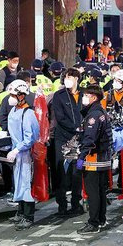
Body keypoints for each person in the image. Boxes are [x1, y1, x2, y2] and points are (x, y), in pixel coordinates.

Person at [76, 85, 113, 234]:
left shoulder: (93, 116)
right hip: (103, 156)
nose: (84, 98)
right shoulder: (101, 112)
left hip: (94, 157)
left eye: (86, 95)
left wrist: (81, 156)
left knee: (93, 192)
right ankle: (101, 219)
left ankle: (94, 223)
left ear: (94, 97)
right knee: (100, 190)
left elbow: (90, 138)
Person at [6, 80, 40, 230]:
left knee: (25, 184)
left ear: (21, 96)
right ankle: (20, 212)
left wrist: (17, 149)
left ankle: (28, 216)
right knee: (18, 183)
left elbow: (30, 137)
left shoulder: (28, 113)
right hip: (16, 152)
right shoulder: (14, 111)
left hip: (25, 154)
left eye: (13, 95)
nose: (11, 97)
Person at [52, 68, 84, 217]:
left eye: (71, 76)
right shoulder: (59, 96)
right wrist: (75, 127)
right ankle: (62, 204)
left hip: (80, 140)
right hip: (63, 139)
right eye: (65, 76)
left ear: (77, 78)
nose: (68, 79)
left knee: (77, 170)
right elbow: (60, 117)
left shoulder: (84, 94)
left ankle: (76, 203)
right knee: (62, 171)